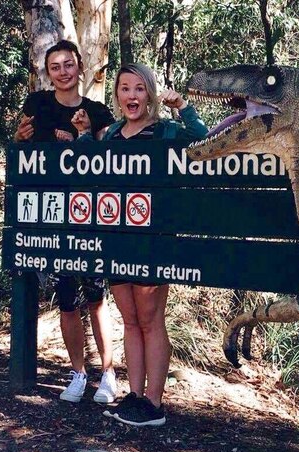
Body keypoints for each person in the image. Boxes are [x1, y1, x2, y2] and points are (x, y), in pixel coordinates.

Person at [94, 63, 207, 427]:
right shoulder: (111, 134)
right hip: (117, 239)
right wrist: (81, 137)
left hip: (153, 239)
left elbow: (202, 139)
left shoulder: (165, 131)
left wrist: (183, 107)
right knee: (129, 320)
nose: (132, 96)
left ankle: (155, 403)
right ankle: (136, 395)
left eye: (139, 89)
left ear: (150, 94)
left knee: (150, 319)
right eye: (125, 89)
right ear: (117, 95)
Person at [13, 40, 118, 404]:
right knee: (67, 299)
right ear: (48, 72)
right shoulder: (37, 105)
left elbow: (113, 160)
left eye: (68, 64)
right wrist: (19, 139)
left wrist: (84, 135)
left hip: (88, 216)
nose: (62, 72)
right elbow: (20, 151)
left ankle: (107, 374)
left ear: (80, 68)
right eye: (55, 66)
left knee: (97, 297)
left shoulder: (97, 111)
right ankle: (77, 373)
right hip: (49, 215)